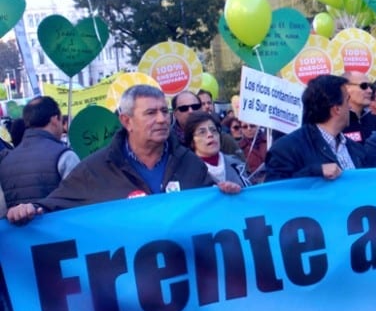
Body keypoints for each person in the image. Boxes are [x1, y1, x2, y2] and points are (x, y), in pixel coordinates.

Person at [6, 85, 238, 224]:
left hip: (182, 284)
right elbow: (56, 204)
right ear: (126, 121)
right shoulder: (96, 169)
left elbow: (211, 209)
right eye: (150, 113)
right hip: (128, 292)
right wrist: (29, 210)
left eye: (164, 111)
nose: (161, 119)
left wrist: (226, 195)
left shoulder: (189, 162)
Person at [264, 75, 365, 181]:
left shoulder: (356, 149)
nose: (350, 107)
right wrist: (315, 172)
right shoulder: (286, 149)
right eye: (347, 100)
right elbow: (275, 191)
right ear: (336, 109)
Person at [0, 96, 80, 207]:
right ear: (55, 120)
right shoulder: (64, 156)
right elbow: (81, 201)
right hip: (60, 223)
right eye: (62, 120)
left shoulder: (5, 161)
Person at [185, 111, 248, 188]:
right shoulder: (187, 171)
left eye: (213, 130)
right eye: (202, 132)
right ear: (192, 141)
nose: (210, 135)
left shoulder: (236, 164)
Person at [172, 90, 242, 159]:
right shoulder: (168, 142)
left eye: (195, 106)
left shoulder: (223, 139)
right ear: (175, 113)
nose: (191, 111)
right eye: (184, 108)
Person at [341, 71, 374, 143]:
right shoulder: (339, 123)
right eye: (364, 86)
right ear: (346, 88)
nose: (370, 91)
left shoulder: (372, 118)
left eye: (370, 86)